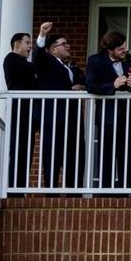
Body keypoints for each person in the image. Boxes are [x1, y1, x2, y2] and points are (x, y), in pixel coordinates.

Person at [34, 22, 86, 188]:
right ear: (53, 49)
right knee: (53, 152)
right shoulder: (47, 62)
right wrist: (42, 34)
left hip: (72, 116)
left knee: (75, 153)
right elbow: (39, 54)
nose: (68, 46)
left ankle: (73, 191)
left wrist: (80, 87)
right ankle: (51, 189)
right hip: (54, 116)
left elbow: (82, 81)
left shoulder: (71, 66)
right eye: (64, 44)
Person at [85, 30, 131, 190]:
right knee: (106, 153)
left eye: (124, 47)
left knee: (126, 152)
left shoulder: (129, 59)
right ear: (110, 50)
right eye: (121, 49)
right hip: (107, 114)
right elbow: (91, 86)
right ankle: (104, 190)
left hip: (128, 114)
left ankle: (125, 189)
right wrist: (112, 85)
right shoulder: (95, 61)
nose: (125, 51)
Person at [2, 31, 38, 193]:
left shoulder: (24, 63)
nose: (30, 46)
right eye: (27, 42)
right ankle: (13, 189)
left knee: (26, 149)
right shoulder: (12, 59)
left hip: (28, 111)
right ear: (17, 44)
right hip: (19, 110)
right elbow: (32, 69)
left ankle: (19, 188)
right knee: (18, 149)